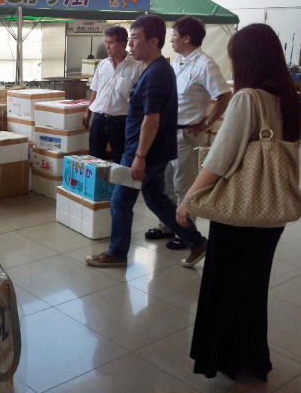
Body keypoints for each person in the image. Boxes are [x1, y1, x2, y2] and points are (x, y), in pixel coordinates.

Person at [176, 23, 301, 381]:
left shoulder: (248, 98)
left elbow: (220, 158)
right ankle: (252, 358)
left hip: (241, 210)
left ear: (248, 59)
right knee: (252, 288)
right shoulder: (288, 98)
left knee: (225, 285)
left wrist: (188, 198)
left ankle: (223, 358)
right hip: (271, 209)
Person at [85, 14, 207, 268]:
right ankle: (197, 242)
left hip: (144, 151)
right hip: (152, 150)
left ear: (153, 41)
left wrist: (139, 156)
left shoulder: (156, 73)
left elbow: (151, 119)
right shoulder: (155, 69)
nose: (130, 45)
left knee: (120, 201)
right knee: (155, 198)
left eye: (135, 39)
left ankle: (117, 253)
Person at [145, 16, 232, 249]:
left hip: (186, 134)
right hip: (167, 133)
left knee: (184, 185)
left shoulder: (205, 64)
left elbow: (224, 95)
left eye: (174, 35)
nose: (171, 39)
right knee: (166, 183)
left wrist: (208, 122)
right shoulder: (178, 61)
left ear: (187, 38)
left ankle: (186, 232)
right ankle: (167, 225)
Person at [82, 26, 142, 164]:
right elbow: (96, 90)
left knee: (120, 159)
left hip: (121, 121)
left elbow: (140, 100)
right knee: (94, 159)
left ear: (123, 44)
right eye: (106, 42)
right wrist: (88, 112)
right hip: (99, 119)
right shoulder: (102, 65)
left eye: (111, 43)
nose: (107, 47)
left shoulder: (136, 67)